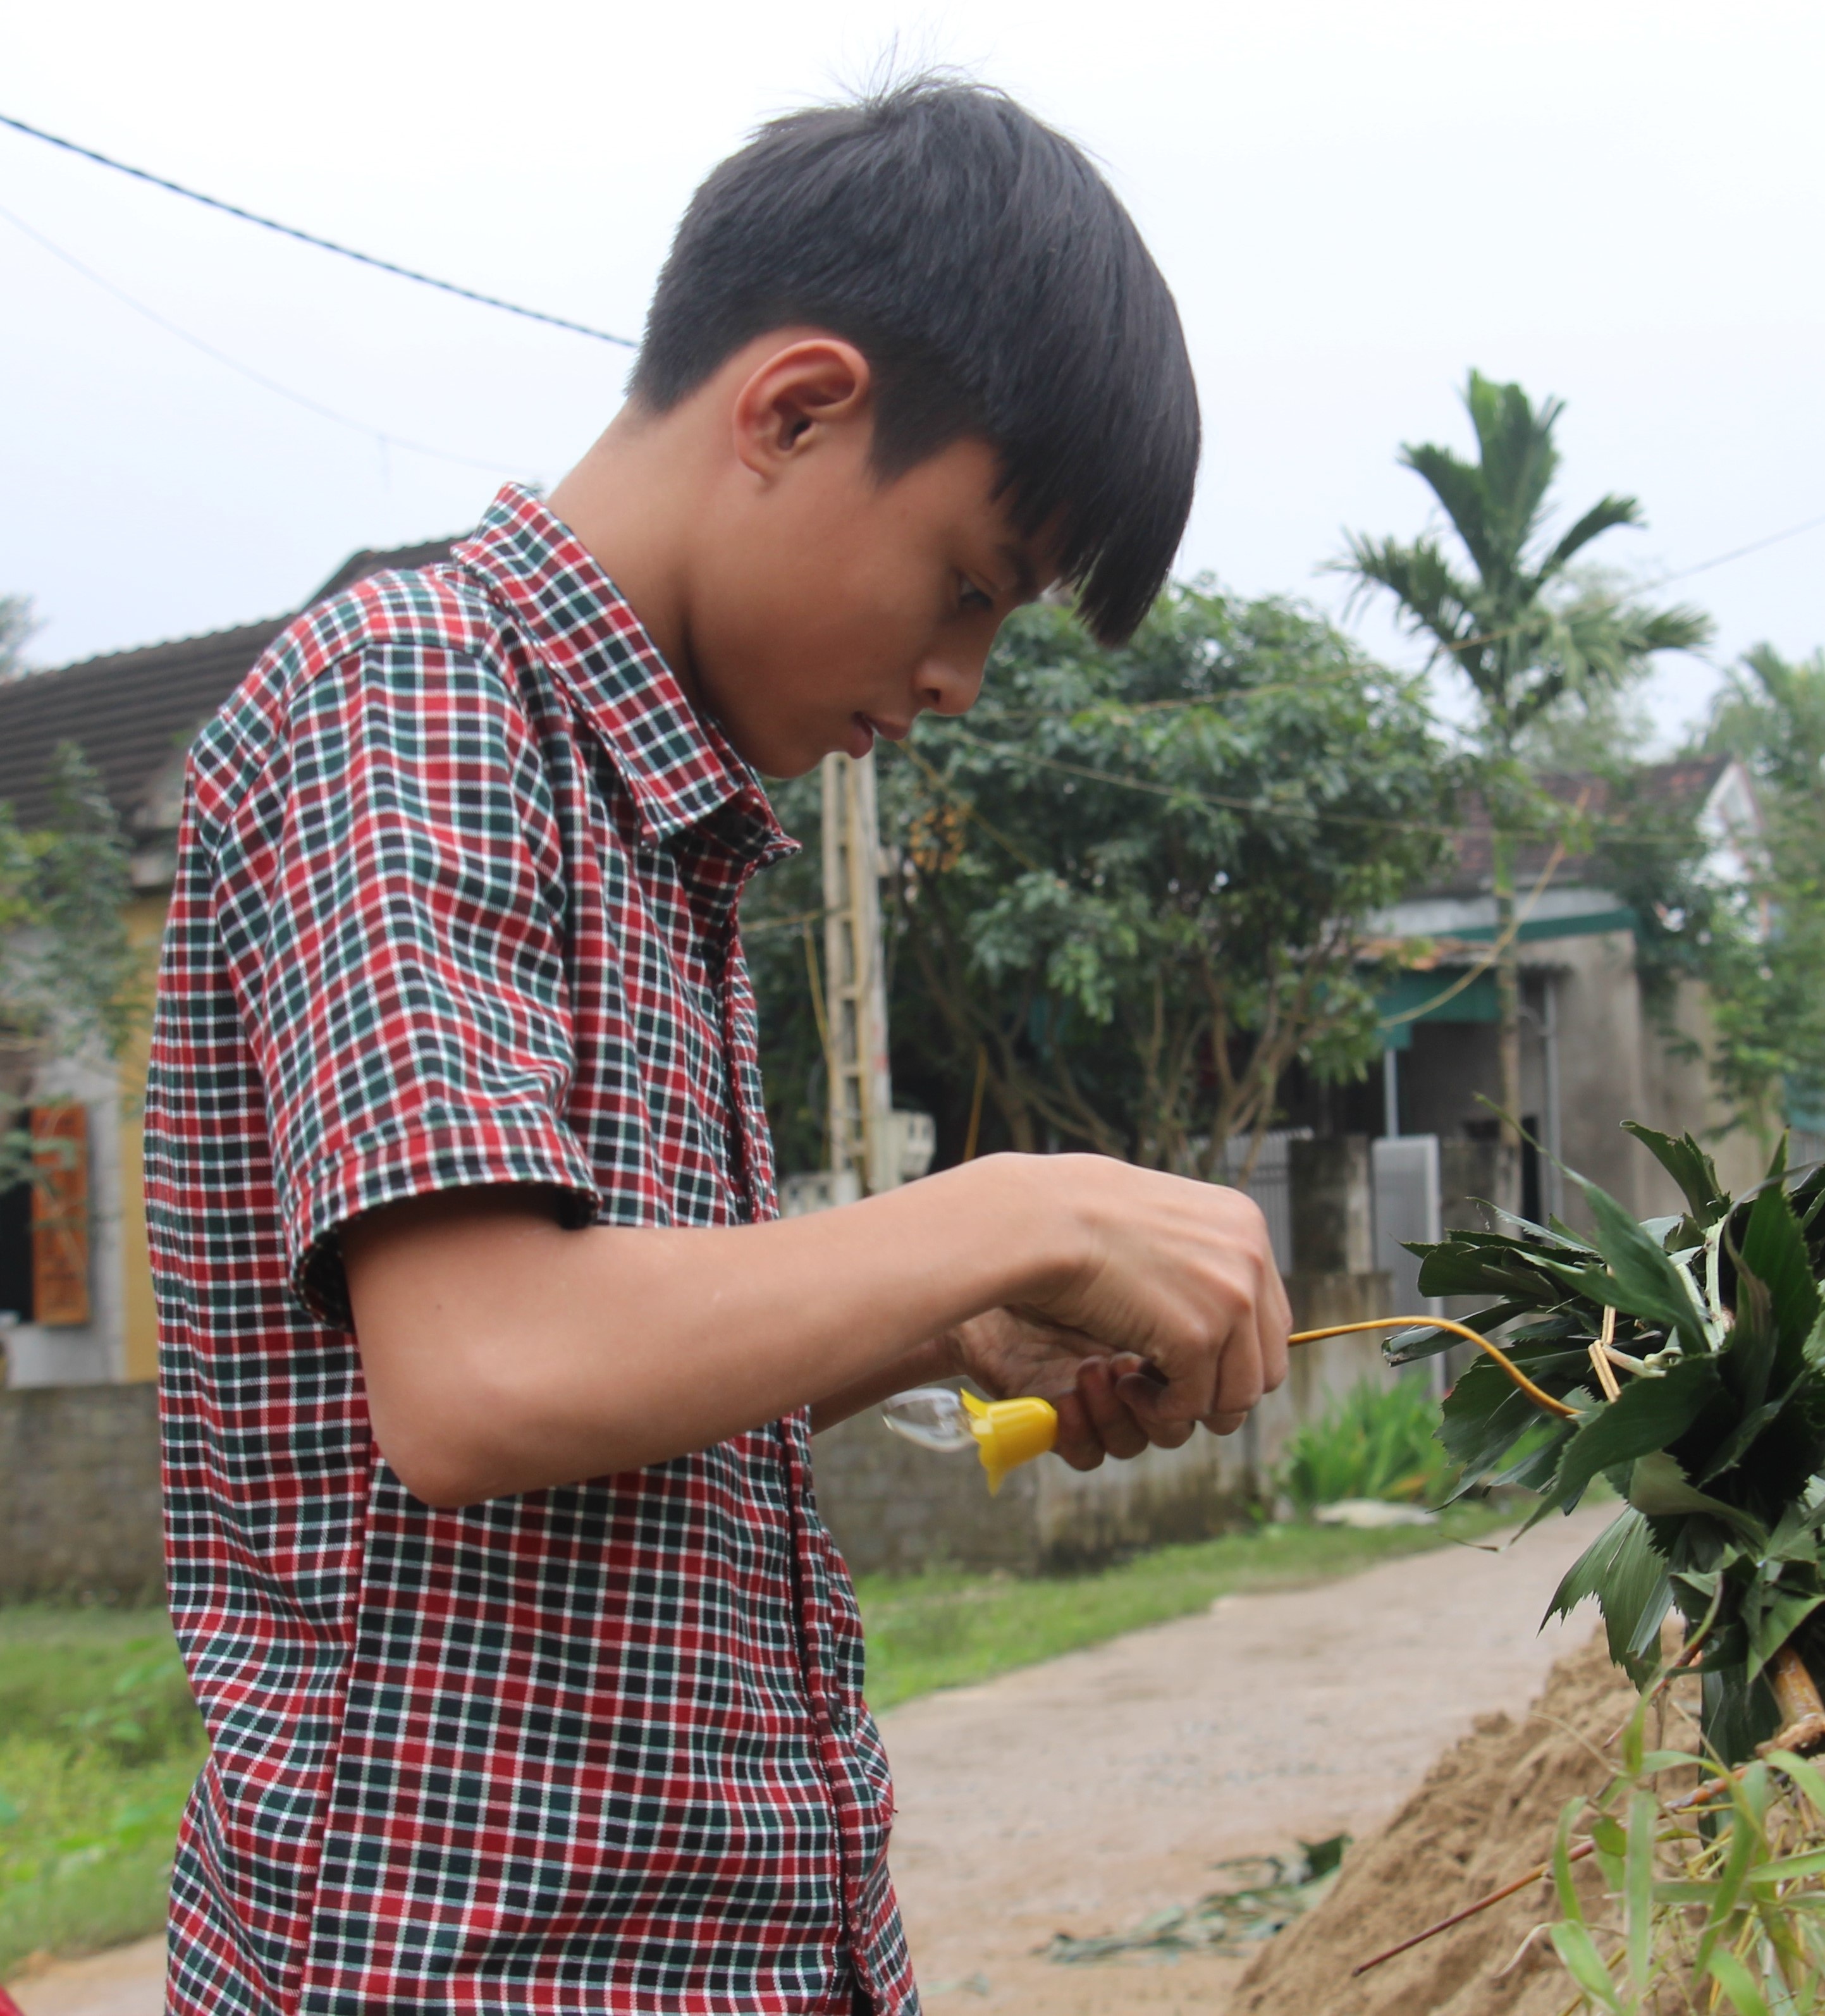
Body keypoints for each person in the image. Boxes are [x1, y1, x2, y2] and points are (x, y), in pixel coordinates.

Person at [145, 78, 1286, 2016]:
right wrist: (1004, 1215)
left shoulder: (653, 826)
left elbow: (601, 1392)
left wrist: (952, 1331)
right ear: (792, 409)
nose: (953, 686)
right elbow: (484, 1371)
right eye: (968, 587)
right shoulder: (418, 699)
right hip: (474, 1970)